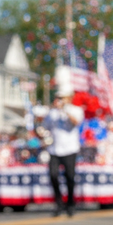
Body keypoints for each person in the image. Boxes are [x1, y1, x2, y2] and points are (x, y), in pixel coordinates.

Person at [44, 66, 84, 217]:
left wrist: (65, 109)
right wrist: (51, 110)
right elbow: (44, 127)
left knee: (70, 177)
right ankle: (59, 203)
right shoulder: (52, 112)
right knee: (53, 175)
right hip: (54, 148)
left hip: (70, 148)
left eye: (63, 97)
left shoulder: (75, 110)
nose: (60, 100)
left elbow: (76, 123)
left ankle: (70, 203)